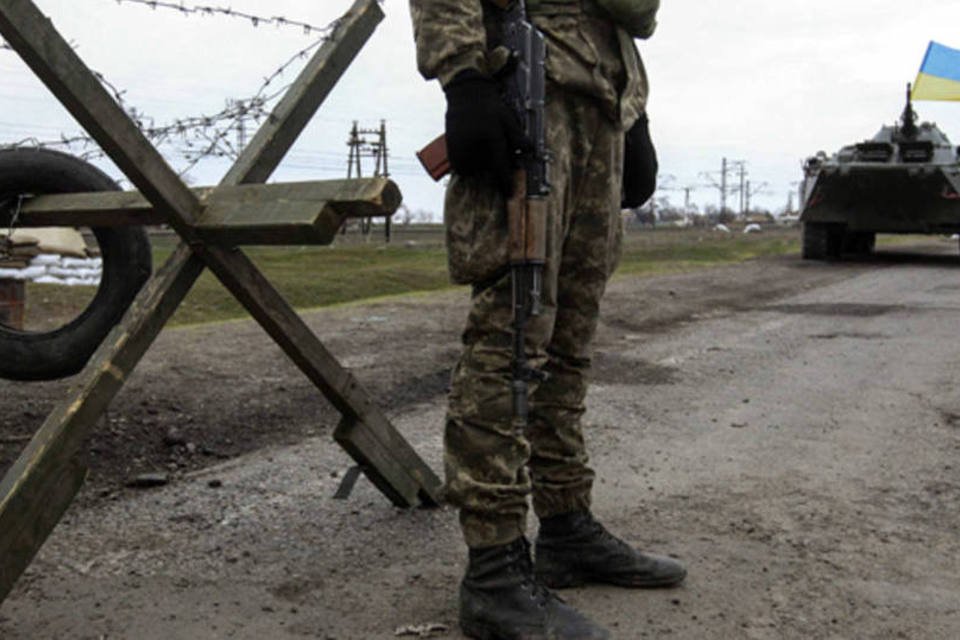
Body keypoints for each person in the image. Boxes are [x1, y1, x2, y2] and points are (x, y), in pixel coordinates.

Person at [409, 0, 685, 637]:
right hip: (530, 100)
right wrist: (464, 78)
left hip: (603, 108)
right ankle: (495, 568)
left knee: (570, 340)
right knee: (513, 333)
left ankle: (565, 525)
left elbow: (632, 16)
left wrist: (635, 116)